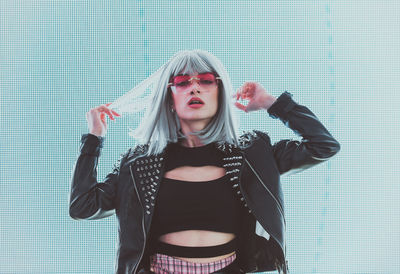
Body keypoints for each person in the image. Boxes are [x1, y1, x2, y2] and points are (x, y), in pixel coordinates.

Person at [69, 49, 340, 274]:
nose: (194, 87)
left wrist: (271, 103)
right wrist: (94, 138)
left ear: (220, 92)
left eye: (206, 80)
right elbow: (83, 206)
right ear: (170, 97)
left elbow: (323, 146)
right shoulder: (139, 162)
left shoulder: (252, 151)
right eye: (183, 82)